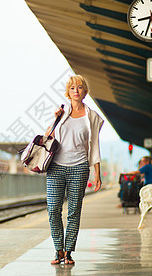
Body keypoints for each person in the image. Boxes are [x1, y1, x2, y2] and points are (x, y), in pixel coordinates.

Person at [44, 75, 104, 265]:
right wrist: (55, 121)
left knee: (73, 211)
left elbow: (94, 145)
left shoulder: (92, 116)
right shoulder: (61, 113)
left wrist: (97, 173)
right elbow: (47, 138)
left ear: (85, 92)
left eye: (79, 87)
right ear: (68, 93)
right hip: (56, 167)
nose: (76, 91)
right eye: (72, 88)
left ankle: (68, 252)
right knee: (53, 209)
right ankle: (58, 249)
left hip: (79, 167)